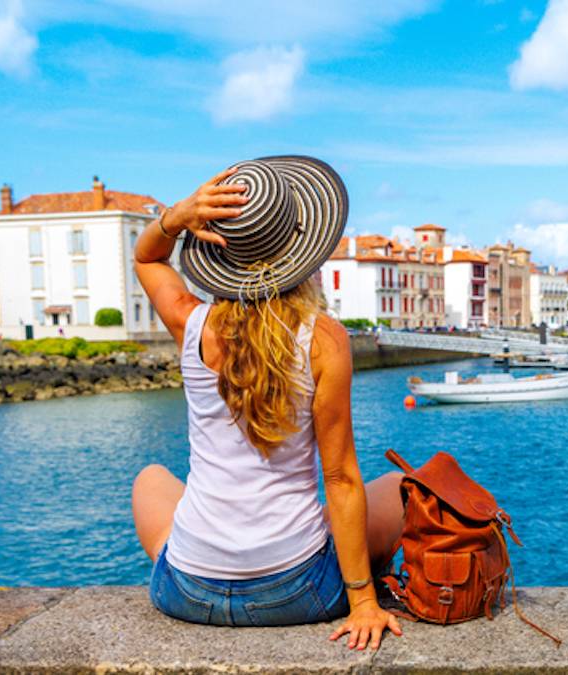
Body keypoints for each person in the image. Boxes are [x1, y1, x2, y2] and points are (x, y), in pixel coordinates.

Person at [130, 157, 404, 651]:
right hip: (298, 593)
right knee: (401, 485)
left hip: (185, 593)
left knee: (151, 478)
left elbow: (147, 259)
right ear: (301, 251)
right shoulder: (323, 340)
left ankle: (199, 558)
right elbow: (339, 478)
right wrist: (362, 601)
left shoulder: (190, 324)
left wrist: (176, 217)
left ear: (218, 252)